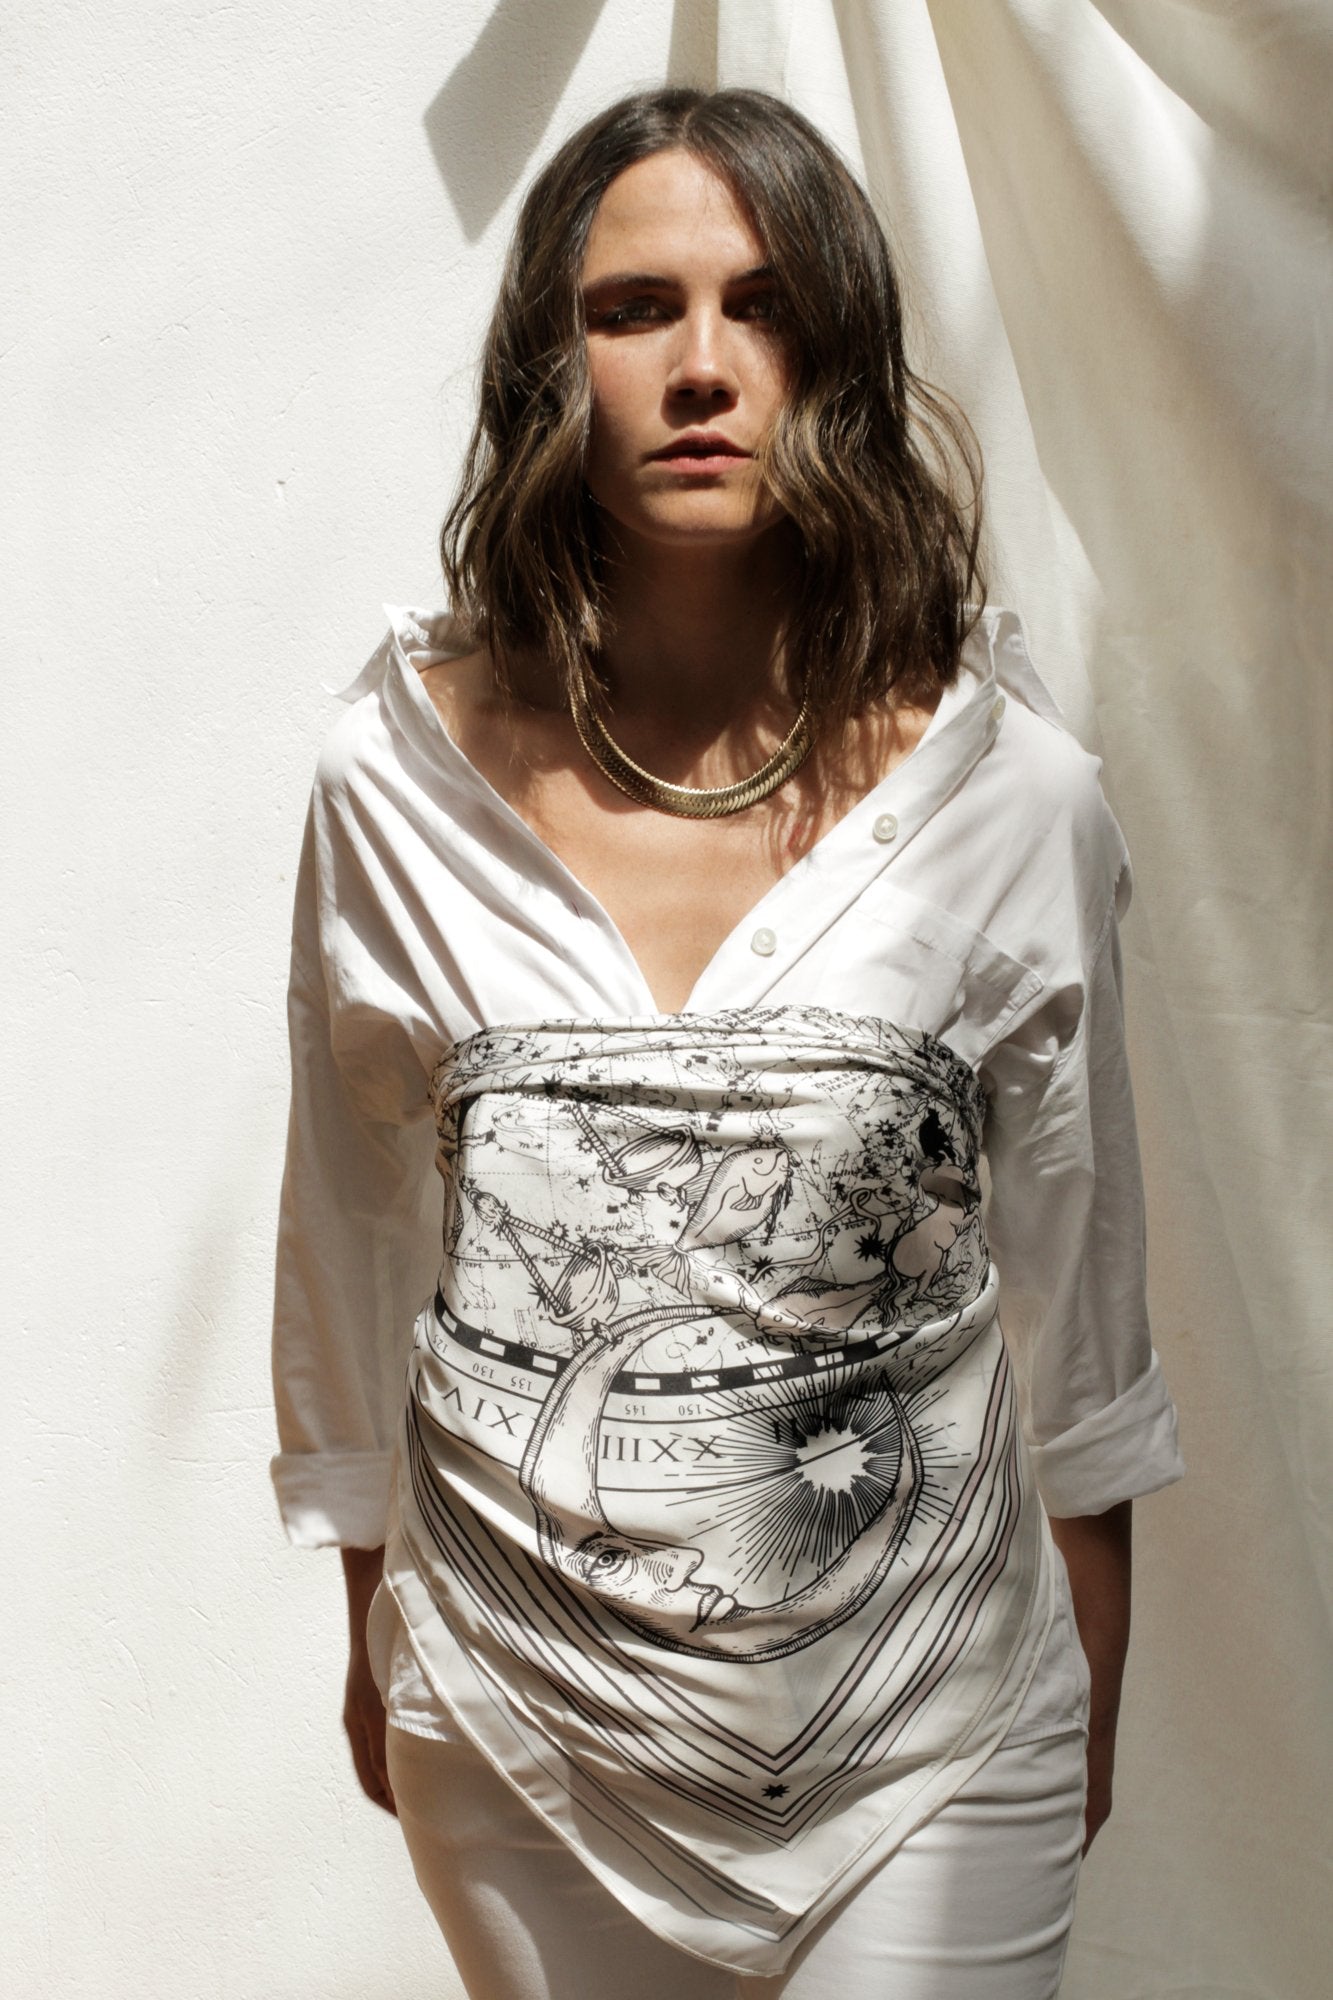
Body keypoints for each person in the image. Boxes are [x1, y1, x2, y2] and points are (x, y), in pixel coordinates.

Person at [271, 86, 1184, 1999]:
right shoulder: (392, 783)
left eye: (761, 306)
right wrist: (384, 1634)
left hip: (933, 1720)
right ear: (550, 361)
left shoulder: (1007, 796)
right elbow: (352, 1230)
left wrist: (1085, 1657)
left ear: (833, 355)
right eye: (633, 310)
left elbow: (1079, 1267)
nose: (700, 367)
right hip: (519, 1715)